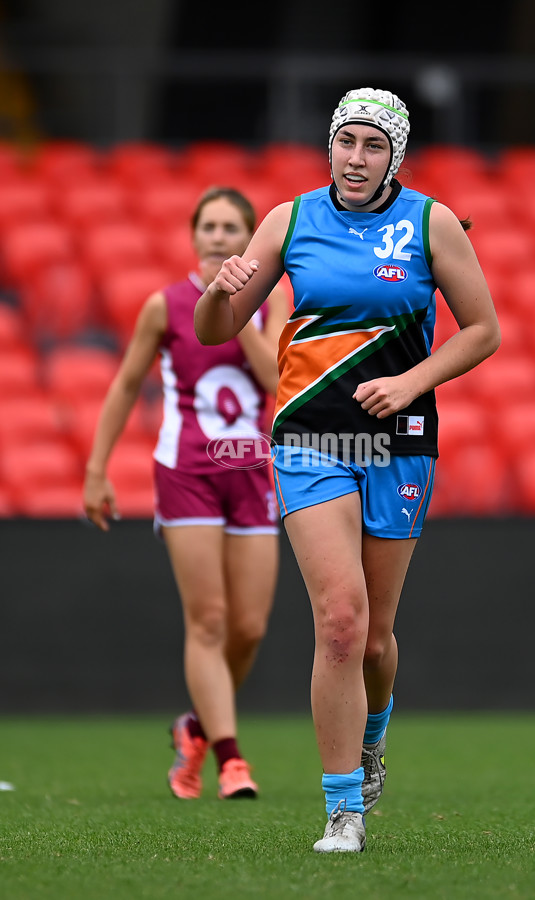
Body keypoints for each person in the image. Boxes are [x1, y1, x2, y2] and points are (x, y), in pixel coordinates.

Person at [193, 88, 501, 851]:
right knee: (339, 623)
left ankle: (373, 738)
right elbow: (215, 331)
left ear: (394, 154)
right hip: (309, 439)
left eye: (371, 146)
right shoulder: (289, 219)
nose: (355, 159)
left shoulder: (429, 222)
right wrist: (215, 294)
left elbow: (484, 331)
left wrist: (412, 381)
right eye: (345, 143)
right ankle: (343, 809)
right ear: (328, 146)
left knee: (374, 640)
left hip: (399, 441)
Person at [84, 186, 290, 801]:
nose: (219, 237)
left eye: (232, 228)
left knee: (249, 628)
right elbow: (124, 387)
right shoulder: (163, 305)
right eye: (210, 227)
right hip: (187, 472)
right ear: (194, 236)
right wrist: (97, 470)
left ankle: (195, 728)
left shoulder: (273, 302)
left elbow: (273, 378)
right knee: (209, 619)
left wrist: (234, 303)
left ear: (251, 239)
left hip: (252, 470)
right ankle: (231, 759)